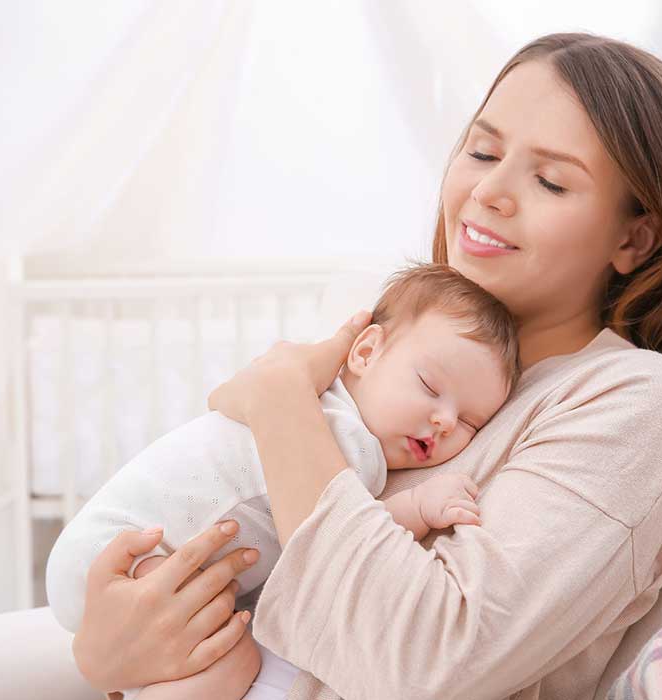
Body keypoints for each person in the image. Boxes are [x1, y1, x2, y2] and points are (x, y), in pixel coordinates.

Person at [67, 32, 662, 700]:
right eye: (483, 151)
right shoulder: (395, 353)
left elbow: (424, 662)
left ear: (634, 239)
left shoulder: (628, 402)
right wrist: (107, 654)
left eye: (550, 181)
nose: (488, 192)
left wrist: (281, 397)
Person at [45, 262, 521, 700]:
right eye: (430, 387)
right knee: (228, 660)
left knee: (218, 660)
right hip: (128, 554)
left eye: (469, 423)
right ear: (367, 351)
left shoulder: (305, 395)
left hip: (107, 552)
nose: (443, 420)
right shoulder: (343, 436)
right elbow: (343, 533)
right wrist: (418, 506)